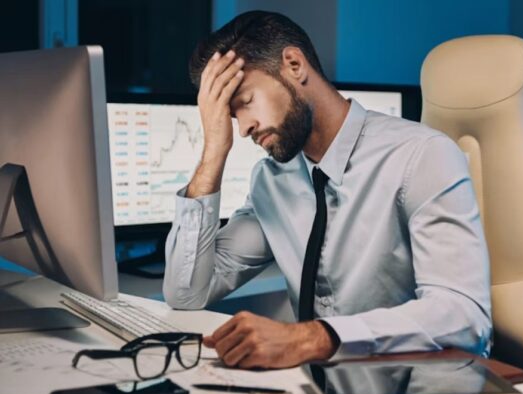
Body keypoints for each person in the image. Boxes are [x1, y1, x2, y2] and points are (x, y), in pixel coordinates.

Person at [163, 10, 491, 369]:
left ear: (293, 65)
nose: (243, 128)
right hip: (320, 384)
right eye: (230, 117)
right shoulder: (272, 182)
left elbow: (464, 315)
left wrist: (314, 337)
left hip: (416, 381)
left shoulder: (422, 156)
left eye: (245, 101)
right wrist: (213, 154)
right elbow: (187, 293)